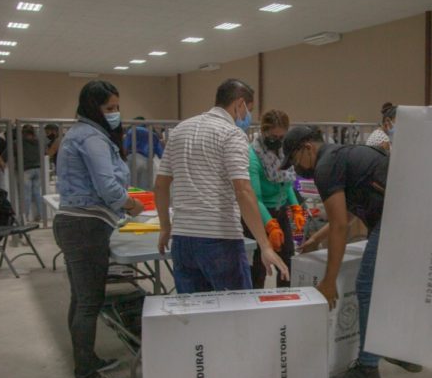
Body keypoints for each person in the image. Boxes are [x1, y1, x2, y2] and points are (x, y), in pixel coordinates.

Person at [281, 125, 422, 378]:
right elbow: (348, 213)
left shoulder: (325, 166)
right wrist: (315, 239)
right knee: (393, 286)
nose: (297, 168)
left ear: (307, 148)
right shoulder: (341, 156)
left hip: (397, 218)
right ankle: (402, 350)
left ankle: (367, 369)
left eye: (295, 159)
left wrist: (329, 281)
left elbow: (339, 227)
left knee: (366, 285)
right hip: (415, 214)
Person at [52, 80, 145, 378]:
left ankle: (87, 360)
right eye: (109, 108)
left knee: (81, 300)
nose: (115, 113)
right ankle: (85, 377)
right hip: (86, 227)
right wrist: (131, 204)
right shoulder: (92, 138)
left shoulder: (78, 133)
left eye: (117, 107)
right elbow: (107, 187)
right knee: (89, 303)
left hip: (75, 223)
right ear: (94, 108)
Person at [154, 79, 289, 294]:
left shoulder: (180, 130)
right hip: (219, 238)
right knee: (236, 308)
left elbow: (161, 185)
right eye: (249, 110)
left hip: (182, 238)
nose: (247, 117)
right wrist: (265, 246)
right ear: (239, 104)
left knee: (193, 309)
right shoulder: (232, 134)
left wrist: (165, 227)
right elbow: (243, 190)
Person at [246, 109, 305, 288]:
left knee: (288, 262)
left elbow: (286, 184)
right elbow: (254, 198)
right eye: (273, 137)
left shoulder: (283, 153)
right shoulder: (253, 156)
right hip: (259, 215)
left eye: (281, 137)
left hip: (280, 212)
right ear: (263, 132)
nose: (277, 141)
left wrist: (296, 207)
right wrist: (270, 225)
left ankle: (285, 298)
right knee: (258, 268)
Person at [123, 116, 164, 190]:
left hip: (132, 159)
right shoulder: (153, 135)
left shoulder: (131, 131)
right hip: (147, 162)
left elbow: (124, 149)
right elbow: (161, 154)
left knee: (131, 187)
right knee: (144, 189)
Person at [18, 124, 44, 222]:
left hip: (26, 169)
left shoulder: (19, 142)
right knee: (37, 193)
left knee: (27, 194)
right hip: (38, 169)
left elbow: (7, 153)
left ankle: (25, 218)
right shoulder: (38, 142)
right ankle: (41, 216)